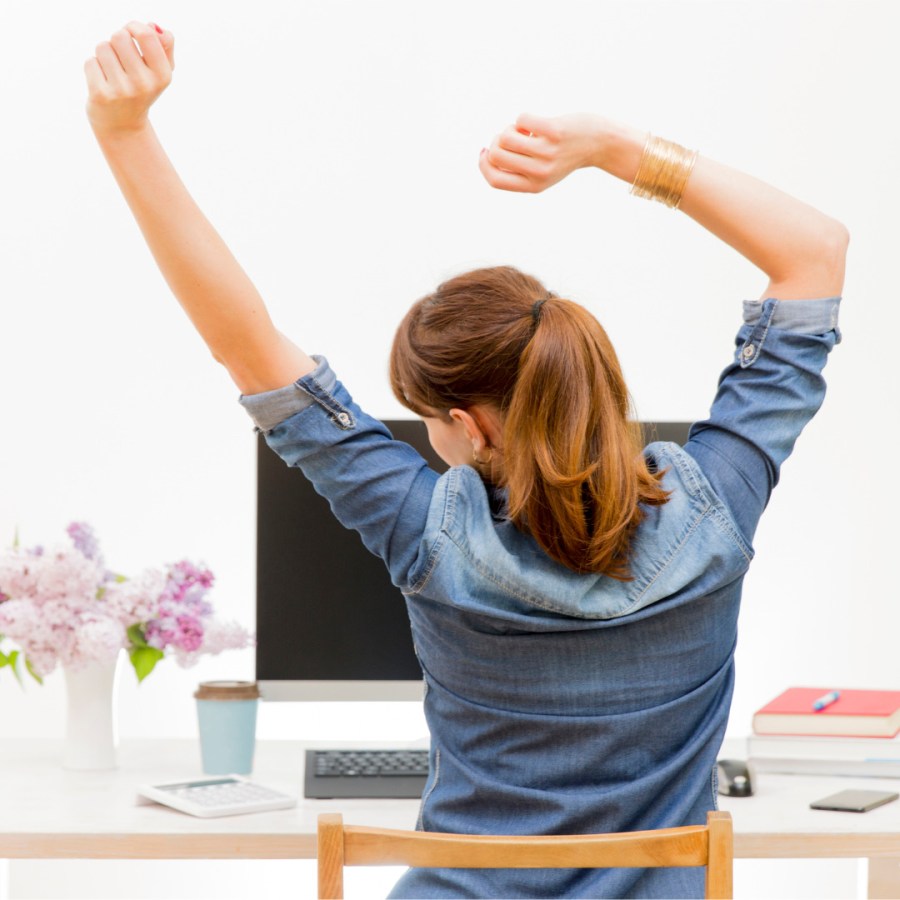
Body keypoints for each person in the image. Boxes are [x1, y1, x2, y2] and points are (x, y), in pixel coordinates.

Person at [85, 22, 847, 900]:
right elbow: (814, 252)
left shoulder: (428, 533)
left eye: (425, 422)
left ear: (468, 427)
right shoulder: (721, 503)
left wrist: (124, 130)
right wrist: (612, 149)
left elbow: (245, 346)